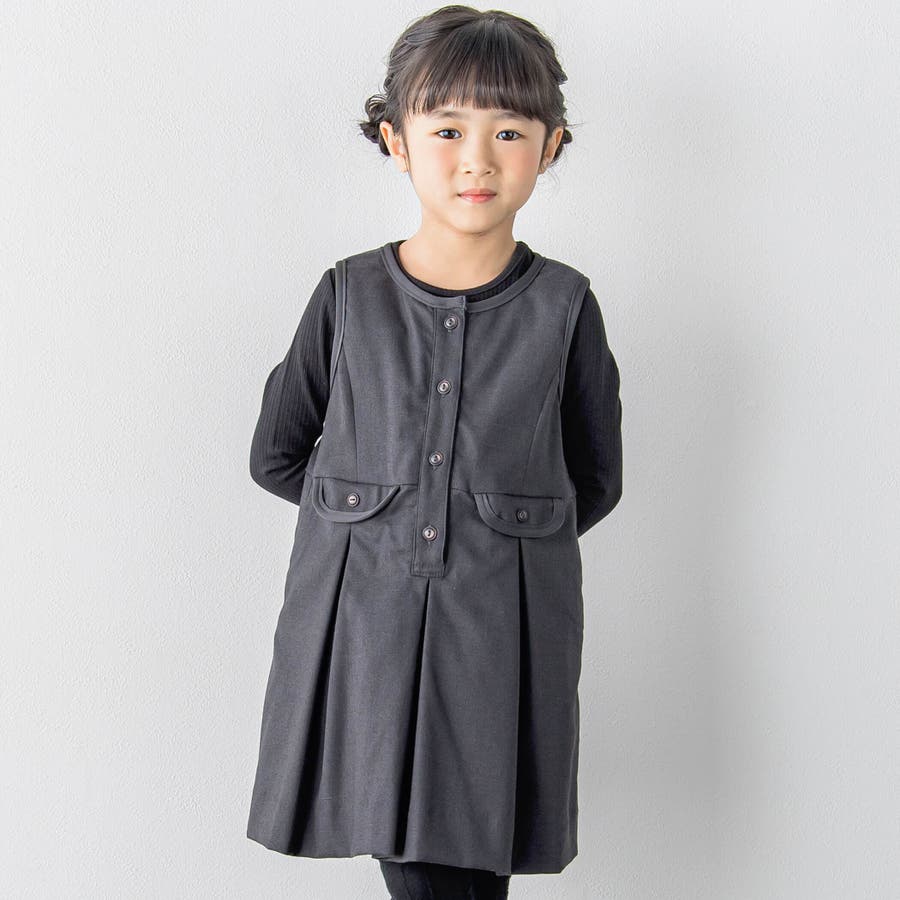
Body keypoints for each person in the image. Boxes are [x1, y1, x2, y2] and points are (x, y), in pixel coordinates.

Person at [244, 6, 623, 898]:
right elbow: (278, 454)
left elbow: (594, 480)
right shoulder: (347, 296)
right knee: (420, 867)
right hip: (365, 632)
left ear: (551, 146)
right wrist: (375, 523)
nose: (477, 159)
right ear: (397, 142)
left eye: (509, 131)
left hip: (499, 637)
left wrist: (497, 534)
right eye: (447, 129)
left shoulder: (565, 307)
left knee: (467, 857)